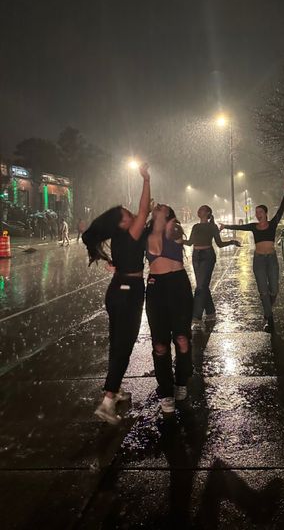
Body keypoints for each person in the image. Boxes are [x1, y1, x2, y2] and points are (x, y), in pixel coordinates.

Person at [82, 163, 151, 425]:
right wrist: (146, 179)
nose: (133, 213)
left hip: (117, 290)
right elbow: (144, 210)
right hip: (128, 291)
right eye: (127, 212)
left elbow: (144, 213)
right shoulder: (129, 232)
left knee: (117, 341)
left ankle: (115, 388)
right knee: (124, 344)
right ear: (122, 221)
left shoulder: (125, 235)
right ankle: (108, 401)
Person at [220, 181, 284, 333]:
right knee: (263, 291)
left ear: (266, 214)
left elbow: (282, 208)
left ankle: (267, 309)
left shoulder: (273, 224)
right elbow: (239, 227)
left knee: (274, 289)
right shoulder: (253, 226)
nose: (258, 215)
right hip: (258, 260)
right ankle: (269, 320)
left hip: (271, 259)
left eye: (260, 212)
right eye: (256, 213)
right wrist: (225, 226)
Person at [145, 203, 193, 414]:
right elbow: (146, 247)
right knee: (160, 345)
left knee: (182, 339)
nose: (159, 205)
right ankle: (166, 390)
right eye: (157, 206)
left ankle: (181, 381)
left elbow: (167, 238)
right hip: (156, 288)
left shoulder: (174, 228)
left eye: (163, 207)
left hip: (178, 285)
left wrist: (163, 219)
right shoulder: (146, 233)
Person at [184, 205, 241, 329]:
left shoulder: (212, 227)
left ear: (208, 213)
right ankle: (210, 312)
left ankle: (196, 316)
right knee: (202, 286)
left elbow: (219, 244)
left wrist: (232, 241)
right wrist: (177, 240)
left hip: (207, 256)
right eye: (199, 209)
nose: (199, 210)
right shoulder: (196, 226)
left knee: (200, 287)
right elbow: (189, 243)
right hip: (196, 257)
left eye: (202, 209)